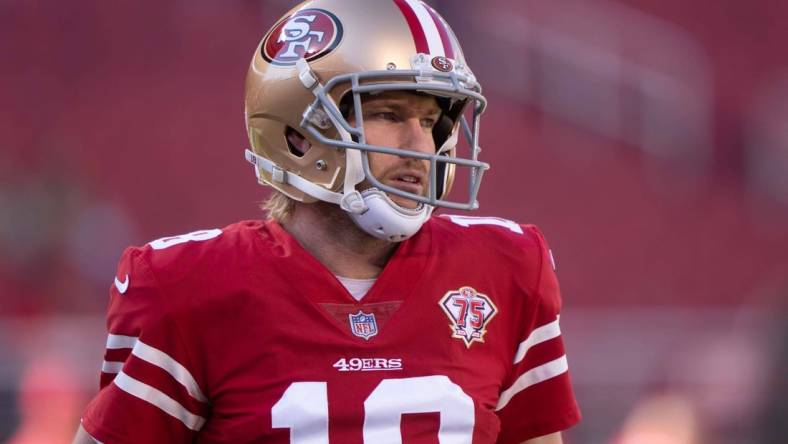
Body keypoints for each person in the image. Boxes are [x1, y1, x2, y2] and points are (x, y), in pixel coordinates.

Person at [72, 0, 581, 442]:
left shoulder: (505, 269)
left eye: (430, 120)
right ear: (296, 132)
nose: (420, 147)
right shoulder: (188, 287)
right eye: (388, 113)